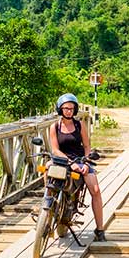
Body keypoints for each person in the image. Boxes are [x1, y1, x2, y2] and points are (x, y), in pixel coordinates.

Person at [49, 93, 106, 242]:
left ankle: (100, 229)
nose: (68, 111)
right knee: (47, 168)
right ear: (60, 109)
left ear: (75, 110)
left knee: (96, 190)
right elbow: (55, 149)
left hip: (79, 160)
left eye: (71, 108)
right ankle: (47, 202)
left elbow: (87, 146)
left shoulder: (79, 125)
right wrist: (69, 163)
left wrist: (86, 162)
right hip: (62, 160)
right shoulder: (54, 126)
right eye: (65, 108)